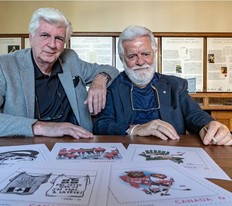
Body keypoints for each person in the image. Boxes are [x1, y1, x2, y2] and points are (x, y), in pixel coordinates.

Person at [0, 8, 119, 138]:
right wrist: (40, 127)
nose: (52, 45)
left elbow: (112, 70)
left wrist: (100, 79)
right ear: (31, 38)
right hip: (26, 149)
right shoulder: (3, 66)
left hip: (73, 146)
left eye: (59, 38)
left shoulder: (70, 59)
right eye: (45, 36)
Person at [93, 25, 232, 146]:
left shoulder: (175, 85)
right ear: (122, 59)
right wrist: (134, 129)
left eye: (146, 54)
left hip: (172, 155)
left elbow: (194, 114)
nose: (140, 62)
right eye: (132, 56)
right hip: (127, 156)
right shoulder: (112, 87)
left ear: (155, 53)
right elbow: (101, 125)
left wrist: (208, 125)